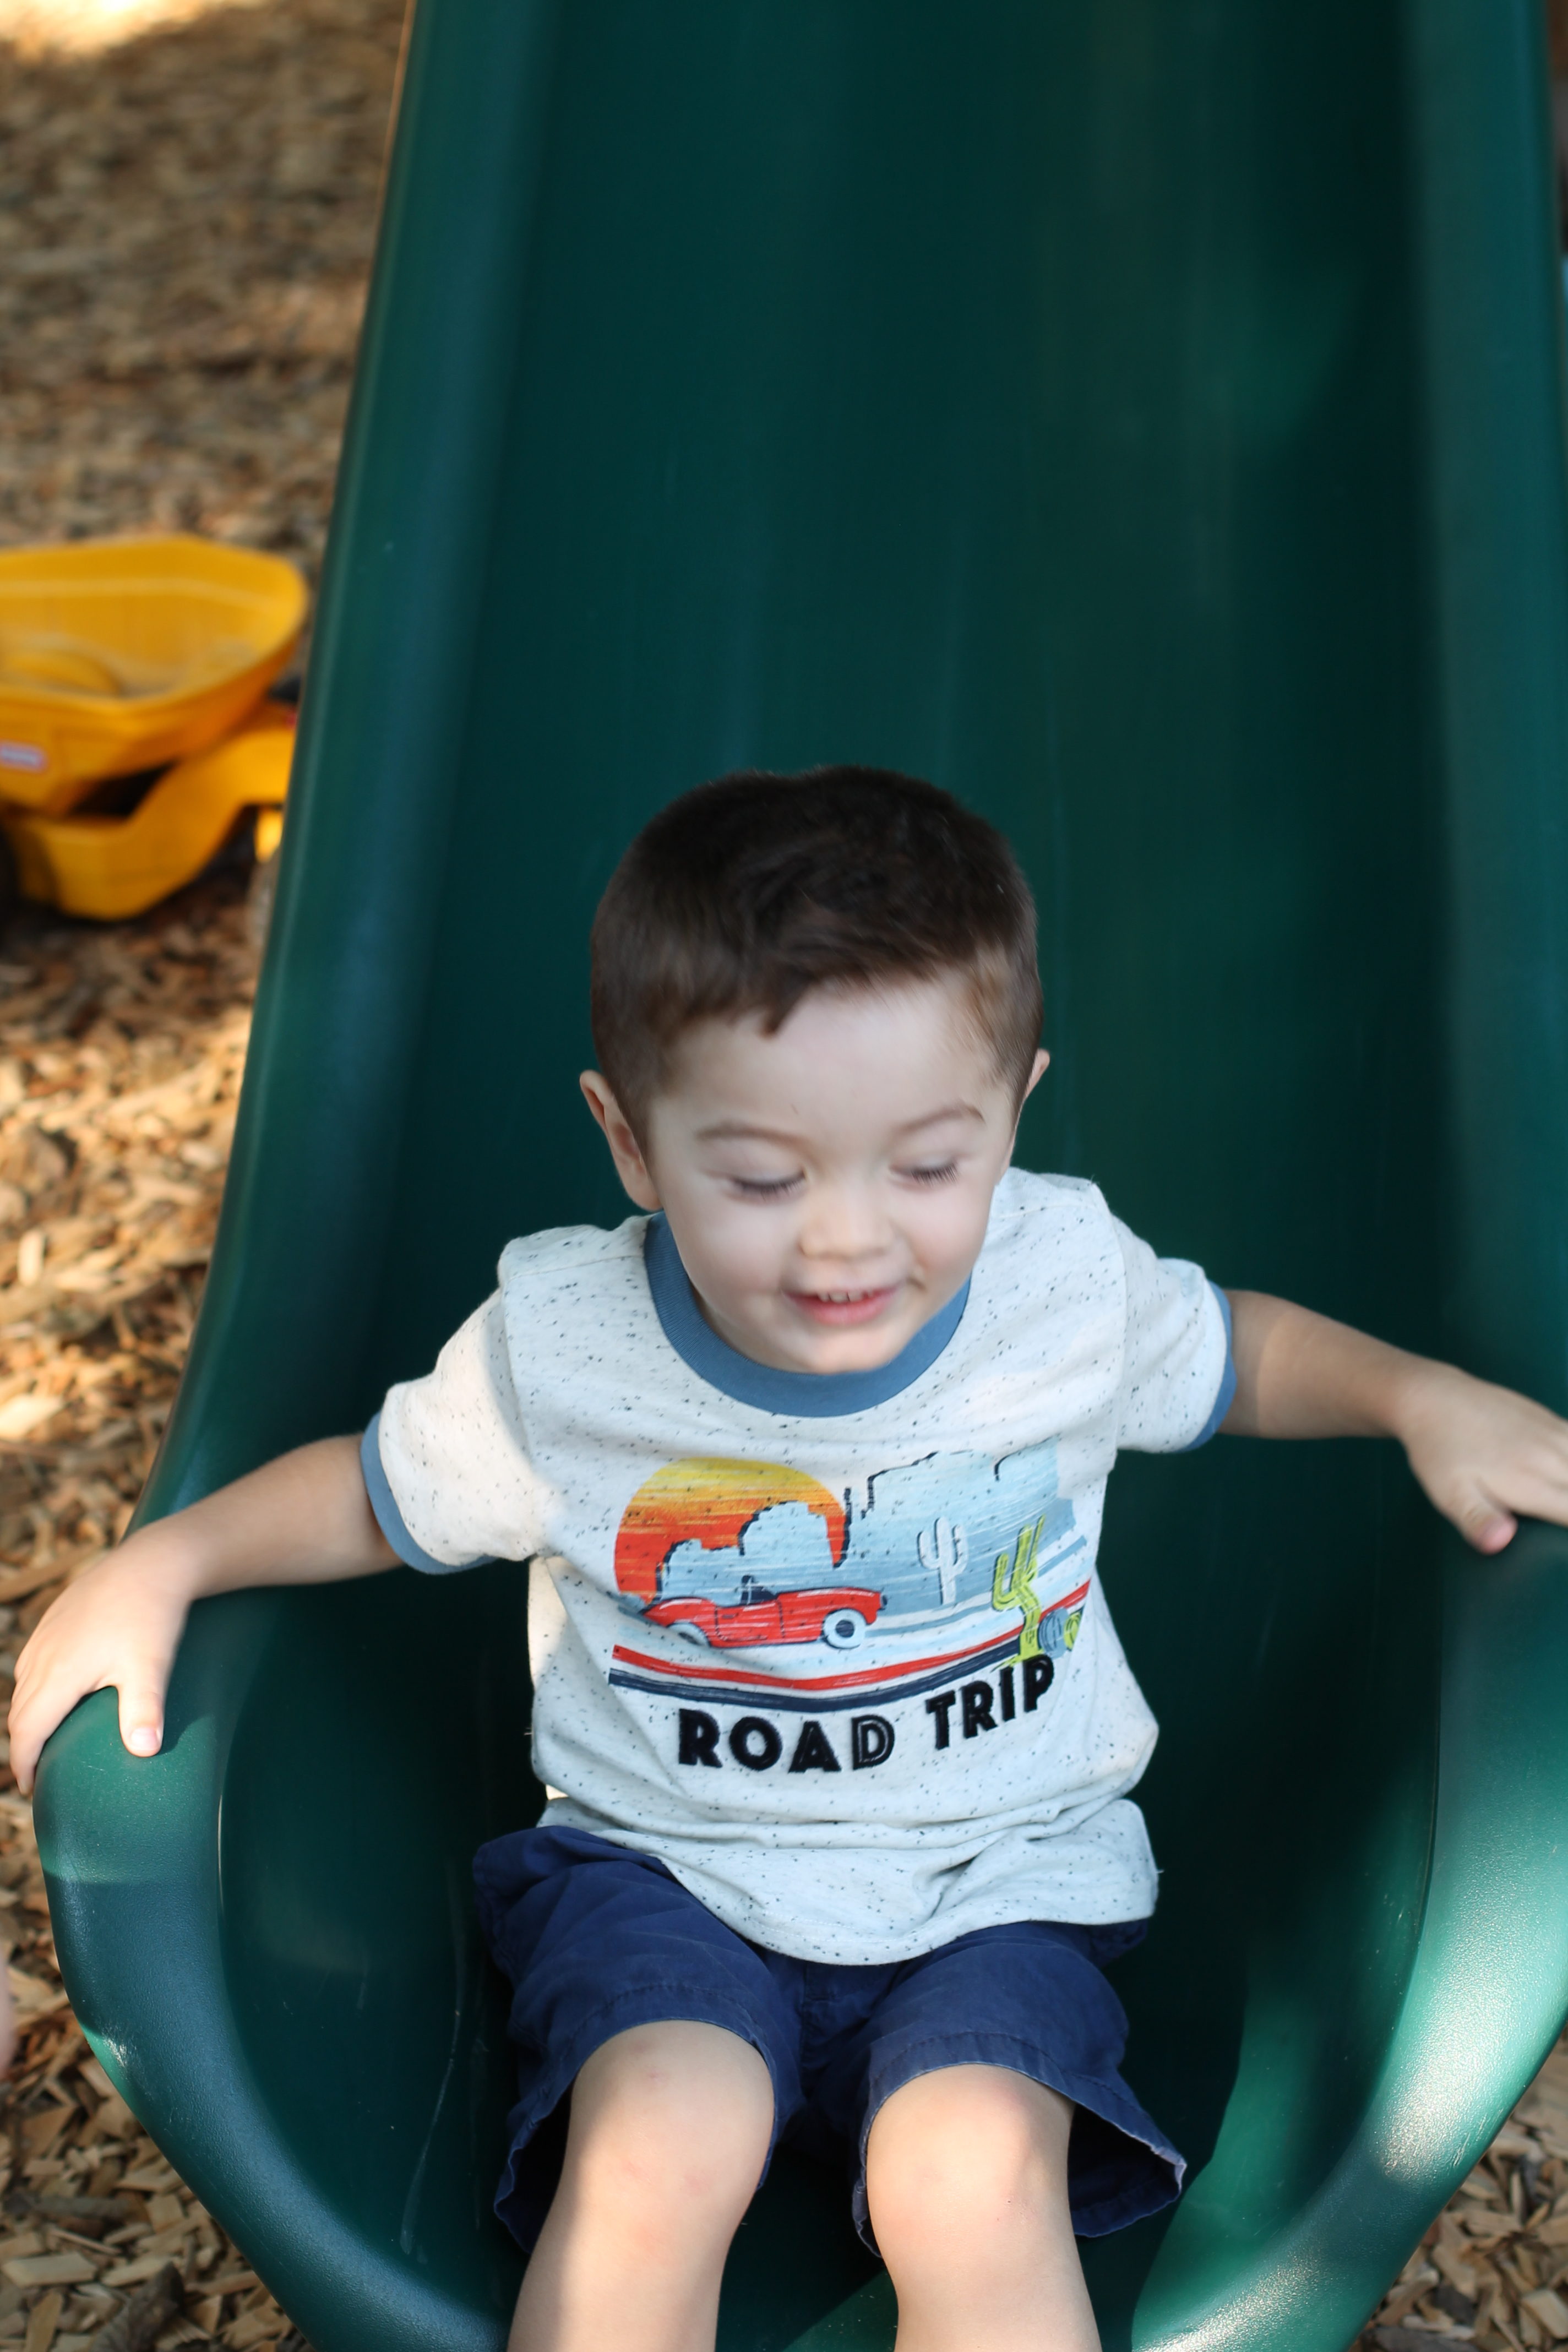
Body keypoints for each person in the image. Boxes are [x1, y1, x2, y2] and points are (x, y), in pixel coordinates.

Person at [10, 769, 1568, 2352]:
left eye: (929, 1166)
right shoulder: (566, 1349)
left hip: (1001, 1879)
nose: (845, 1241)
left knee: (976, 2180)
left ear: (1015, 1109)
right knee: (653, 2151)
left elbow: (1232, 1355)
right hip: (666, 1877)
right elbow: (375, 1493)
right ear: (629, 1141)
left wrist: (1418, 1400)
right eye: (762, 1179)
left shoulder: (1060, 1281)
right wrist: (169, 1561)